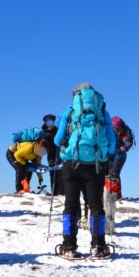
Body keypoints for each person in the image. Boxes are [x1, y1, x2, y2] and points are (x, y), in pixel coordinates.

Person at [53, 83, 117, 259]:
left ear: (75, 96)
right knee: (96, 206)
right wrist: (107, 158)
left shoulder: (69, 112)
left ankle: (68, 246)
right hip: (95, 166)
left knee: (71, 206)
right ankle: (98, 247)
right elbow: (112, 140)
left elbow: (58, 140)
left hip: (71, 165)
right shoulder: (103, 112)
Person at [104, 116, 135, 234]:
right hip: (111, 155)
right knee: (110, 175)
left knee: (114, 175)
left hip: (120, 156)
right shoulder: (111, 127)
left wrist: (121, 148)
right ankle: (115, 193)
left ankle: (116, 194)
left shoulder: (125, 130)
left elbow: (127, 144)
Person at [40, 114, 63, 195]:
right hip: (51, 156)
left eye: (52, 121)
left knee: (60, 172)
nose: (50, 123)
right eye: (48, 121)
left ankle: (61, 192)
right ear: (45, 122)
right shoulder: (44, 133)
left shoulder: (58, 130)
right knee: (52, 173)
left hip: (60, 154)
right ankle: (54, 191)